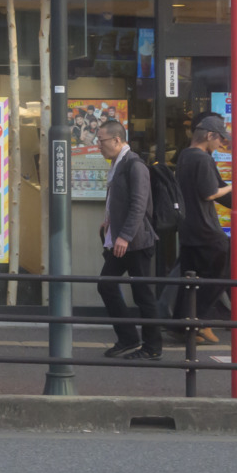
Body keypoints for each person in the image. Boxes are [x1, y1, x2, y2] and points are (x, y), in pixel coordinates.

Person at [95, 122, 161, 361]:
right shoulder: (118, 164)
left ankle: (152, 347)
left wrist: (124, 235)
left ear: (116, 140)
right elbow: (119, 200)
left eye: (101, 141)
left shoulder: (134, 164)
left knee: (143, 294)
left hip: (136, 241)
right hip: (121, 239)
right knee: (106, 285)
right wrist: (109, 222)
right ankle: (128, 338)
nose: (98, 146)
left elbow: (139, 204)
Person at [174, 114, 235, 350]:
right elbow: (210, 193)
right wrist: (235, 186)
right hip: (206, 229)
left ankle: (181, 325)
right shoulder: (203, 158)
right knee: (219, 276)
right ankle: (199, 320)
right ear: (210, 136)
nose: (221, 143)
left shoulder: (184, 155)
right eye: (220, 139)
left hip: (187, 229)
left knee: (189, 280)